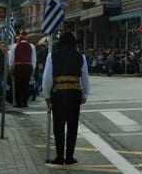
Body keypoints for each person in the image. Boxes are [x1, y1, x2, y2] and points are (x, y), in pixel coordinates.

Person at [42, 31, 89, 165]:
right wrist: (85, 94)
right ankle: (69, 157)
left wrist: (46, 96)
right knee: (72, 126)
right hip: (74, 93)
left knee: (59, 126)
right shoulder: (81, 57)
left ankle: (59, 156)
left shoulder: (52, 56)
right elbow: (85, 77)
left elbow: (47, 78)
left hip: (58, 93)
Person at [9, 31, 36, 108]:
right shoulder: (32, 46)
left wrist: (11, 67)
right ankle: (24, 102)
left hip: (18, 66)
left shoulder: (14, 46)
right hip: (27, 67)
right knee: (26, 85)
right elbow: (33, 59)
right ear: (27, 37)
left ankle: (18, 103)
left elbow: (11, 58)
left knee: (18, 85)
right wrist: (33, 69)